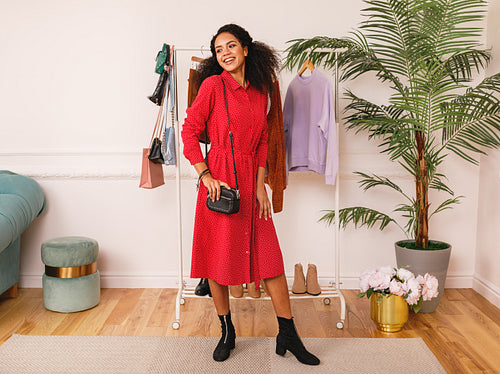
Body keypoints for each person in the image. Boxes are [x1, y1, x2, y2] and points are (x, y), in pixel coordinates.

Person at [181, 24, 320, 366]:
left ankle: (288, 333)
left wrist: (260, 185)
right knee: (217, 261)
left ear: (245, 49)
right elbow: (189, 131)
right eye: (218, 50)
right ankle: (227, 330)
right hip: (221, 185)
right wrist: (206, 174)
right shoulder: (213, 86)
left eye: (231, 46)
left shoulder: (260, 91)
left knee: (270, 259)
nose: (225, 53)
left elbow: (261, 141)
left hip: (251, 184)